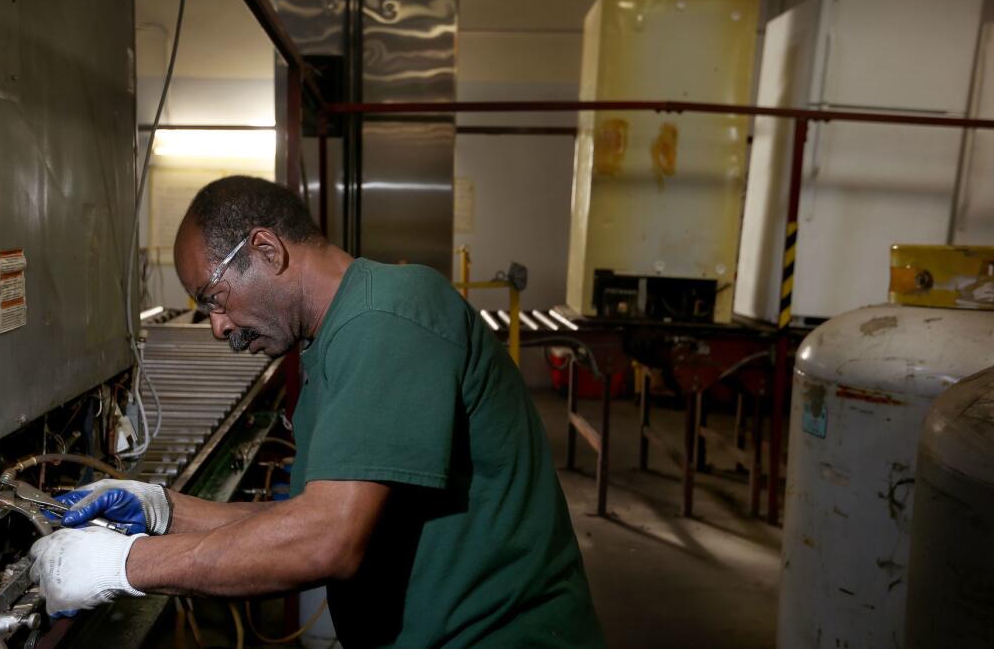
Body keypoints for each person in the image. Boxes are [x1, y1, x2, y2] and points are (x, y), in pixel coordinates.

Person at [30, 176, 605, 647]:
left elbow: (326, 541)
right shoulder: (328, 344)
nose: (217, 327)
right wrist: (161, 510)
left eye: (214, 298)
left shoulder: (391, 315)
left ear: (266, 250)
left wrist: (123, 566)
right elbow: (307, 519)